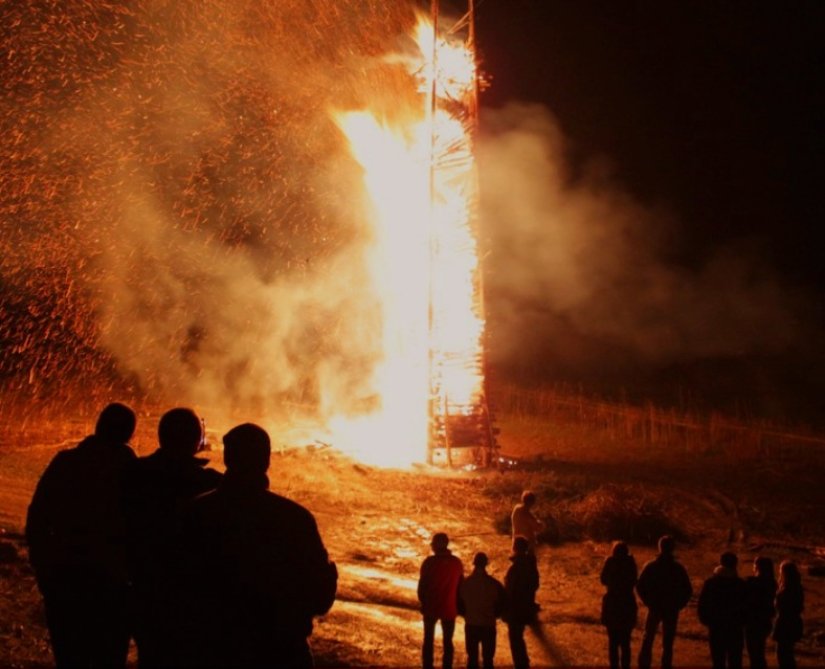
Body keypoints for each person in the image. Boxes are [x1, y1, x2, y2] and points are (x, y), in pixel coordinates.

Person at [178, 423, 337, 668]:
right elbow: (320, 596)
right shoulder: (294, 519)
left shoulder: (197, 513)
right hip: (280, 652)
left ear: (227, 457)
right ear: (266, 461)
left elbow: (176, 585)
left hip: (212, 649)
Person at [25, 402, 137, 669]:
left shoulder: (66, 463)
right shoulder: (133, 474)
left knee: (69, 656)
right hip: (113, 587)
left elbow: (37, 521)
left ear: (98, 427)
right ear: (129, 435)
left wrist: (45, 571)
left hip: (65, 581)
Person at [123, 407, 223, 668]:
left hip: (145, 593)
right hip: (193, 600)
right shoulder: (212, 486)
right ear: (196, 441)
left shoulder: (134, 474)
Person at [635, 535, 693, 669]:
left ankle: (643, 665)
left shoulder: (651, 566)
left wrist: (648, 601)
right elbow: (687, 590)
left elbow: (640, 586)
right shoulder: (678, 568)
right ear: (673, 548)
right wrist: (679, 604)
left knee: (648, 639)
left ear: (659, 547)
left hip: (654, 607)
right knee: (668, 643)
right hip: (671, 609)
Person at [418, 532, 464, 669]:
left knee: (428, 640)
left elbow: (422, 587)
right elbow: (461, 587)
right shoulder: (457, 563)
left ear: (436, 545)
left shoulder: (429, 563)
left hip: (431, 607)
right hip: (449, 608)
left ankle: (428, 666)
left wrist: (424, 603)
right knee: (448, 642)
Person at [697, 551, 747, 669]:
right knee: (735, 661)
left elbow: (702, 604)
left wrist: (707, 620)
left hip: (716, 628)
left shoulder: (711, 583)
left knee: (718, 661)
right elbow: (746, 607)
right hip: (735, 628)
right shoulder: (740, 584)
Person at [458, 551, 506, 669]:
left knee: (472, 659)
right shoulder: (494, 584)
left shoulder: (465, 583)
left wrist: (467, 614)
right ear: (486, 564)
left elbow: (459, 604)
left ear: (474, 564)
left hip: (471, 624)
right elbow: (503, 603)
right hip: (488, 625)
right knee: (488, 660)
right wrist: (494, 615)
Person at [600, 541, 638, 669]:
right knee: (626, 642)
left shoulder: (610, 562)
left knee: (613, 642)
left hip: (612, 604)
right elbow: (634, 580)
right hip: (627, 603)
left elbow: (603, 579)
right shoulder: (630, 564)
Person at [504, 536, 540, 669]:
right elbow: (535, 585)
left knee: (515, 639)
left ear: (514, 548)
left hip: (515, 609)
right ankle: (523, 663)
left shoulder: (515, 568)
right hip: (526, 607)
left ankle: (522, 664)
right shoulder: (531, 566)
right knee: (519, 638)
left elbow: (509, 590)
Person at [744, 557, 777, 669]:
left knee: (754, 653)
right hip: (765, 621)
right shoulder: (772, 583)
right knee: (759, 651)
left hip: (752, 622)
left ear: (757, 567)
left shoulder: (752, 582)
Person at [773, 560, 804, 669]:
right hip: (792, 623)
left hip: (785, 624)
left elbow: (783, 606)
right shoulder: (796, 587)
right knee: (787, 652)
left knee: (783, 653)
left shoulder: (788, 589)